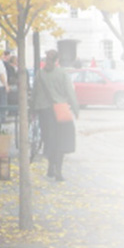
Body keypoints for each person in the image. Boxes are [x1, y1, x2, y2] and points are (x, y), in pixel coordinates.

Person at [32, 49, 78, 182]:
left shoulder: (39, 74)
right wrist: (75, 109)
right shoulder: (62, 74)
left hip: (44, 111)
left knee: (49, 140)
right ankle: (58, 170)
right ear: (57, 60)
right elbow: (70, 92)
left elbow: (34, 92)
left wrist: (32, 110)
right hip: (60, 110)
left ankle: (50, 167)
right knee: (61, 141)